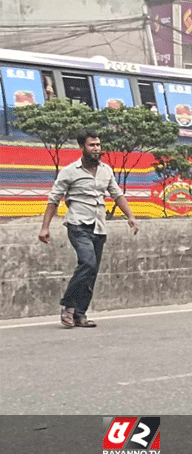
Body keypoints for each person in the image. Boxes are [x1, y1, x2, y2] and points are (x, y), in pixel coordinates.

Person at [39, 131, 139, 328]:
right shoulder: (69, 171)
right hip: (78, 225)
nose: (96, 149)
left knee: (92, 271)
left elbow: (117, 195)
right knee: (87, 262)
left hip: (99, 227)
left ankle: (80, 314)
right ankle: (68, 305)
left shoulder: (106, 171)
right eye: (92, 145)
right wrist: (45, 228)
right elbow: (54, 199)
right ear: (82, 147)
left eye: (98, 145)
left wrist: (131, 216)